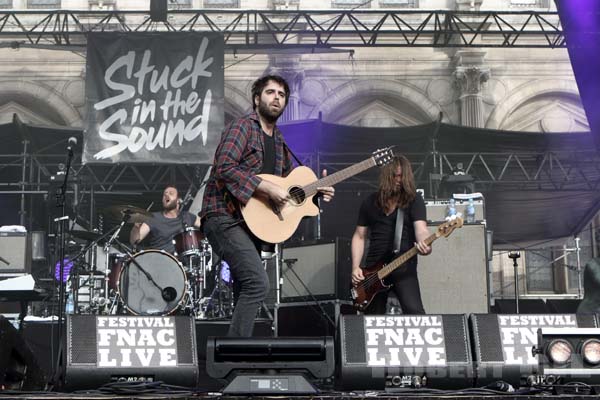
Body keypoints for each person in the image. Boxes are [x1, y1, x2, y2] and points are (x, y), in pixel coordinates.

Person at [200, 74, 334, 337]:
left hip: (248, 225)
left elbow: (287, 195)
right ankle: (234, 355)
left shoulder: (280, 142)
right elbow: (224, 167)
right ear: (256, 98)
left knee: (244, 288)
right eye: (270, 92)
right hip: (223, 216)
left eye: (282, 94)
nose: (277, 98)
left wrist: (316, 196)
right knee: (257, 284)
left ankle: (237, 361)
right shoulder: (242, 128)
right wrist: (265, 187)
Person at [351, 155, 431, 315]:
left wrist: (425, 244)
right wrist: (355, 267)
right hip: (373, 272)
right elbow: (359, 236)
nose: (398, 180)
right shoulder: (370, 202)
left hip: (403, 267)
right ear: (387, 176)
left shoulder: (414, 200)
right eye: (395, 176)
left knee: (415, 312)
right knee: (372, 320)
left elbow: (421, 229)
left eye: (402, 176)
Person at [129, 184, 201, 254]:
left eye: (171, 193)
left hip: (181, 262)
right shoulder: (153, 217)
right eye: (165, 194)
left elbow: (206, 225)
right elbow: (134, 241)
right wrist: (136, 227)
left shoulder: (187, 216)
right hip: (158, 261)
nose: (167, 195)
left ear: (178, 200)